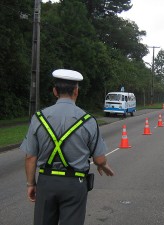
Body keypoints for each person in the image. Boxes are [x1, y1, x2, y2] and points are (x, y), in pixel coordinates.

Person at [20, 69, 114, 225]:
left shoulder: (38, 118)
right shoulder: (88, 120)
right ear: (76, 91)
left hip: (46, 182)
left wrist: (31, 184)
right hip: (74, 184)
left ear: (55, 91)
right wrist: (103, 165)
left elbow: (30, 157)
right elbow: (99, 159)